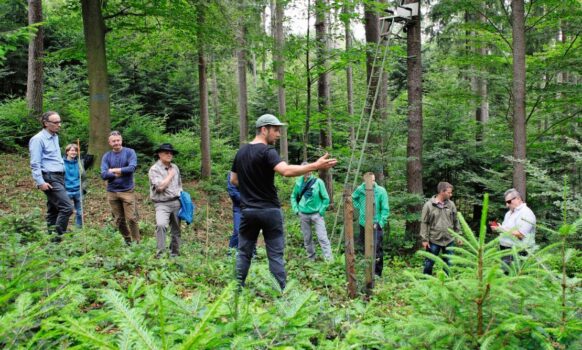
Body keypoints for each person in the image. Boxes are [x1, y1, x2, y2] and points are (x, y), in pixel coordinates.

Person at [230, 113, 337, 290]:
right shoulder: (267, 151)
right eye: (275, 130)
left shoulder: (240, 152)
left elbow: (234, 180)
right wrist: (315, 166)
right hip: (270, 211)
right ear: (264, 130)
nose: (279, 134)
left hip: (248, 211)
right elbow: (285, 171)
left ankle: (236, 290)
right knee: (275, 254)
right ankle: (280, 292)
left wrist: (250, 185)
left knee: (243, 253)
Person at [29, 111, 74, 239]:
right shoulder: (37, 140)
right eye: (55, 122)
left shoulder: (55, 136)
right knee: (67, 208)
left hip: (59, 177)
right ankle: (57, 239)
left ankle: (51, 243)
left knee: (53, 210)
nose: (59, 125)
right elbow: (35, 163)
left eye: (59, 122)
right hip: (49, 177)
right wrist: (40, 182)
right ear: (46, 123)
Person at [101, 131, 141, 244]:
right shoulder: (107, 156)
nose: (116, 143)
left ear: (121, 140)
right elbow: (103, 174)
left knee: (132, 218)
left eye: (118, 140)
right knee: (118, 220)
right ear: (109, 142)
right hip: (112, 192)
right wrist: (121, 172)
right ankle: (127, 239)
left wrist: (112, 170)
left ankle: (136, 242)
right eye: (113, 141)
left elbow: (131, 168)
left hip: (127, 190)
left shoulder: (129, 152)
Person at [291, 164, 333, 261]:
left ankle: (329, 260)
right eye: (305, 170)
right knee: (307, 238)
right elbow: (293, 196)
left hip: (316, 215)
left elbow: (326, 198)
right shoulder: (298, 183)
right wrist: (296, 210)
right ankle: (311, 258)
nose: (308, 172)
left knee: (322, 237)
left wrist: (321, 211)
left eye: (310, 170)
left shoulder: (318, 182)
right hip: (303, 214)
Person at [351, 172, 390, 276]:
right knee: (365, 248)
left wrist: (380, 223)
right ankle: (368, 271)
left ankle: (377, 273)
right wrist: (360, 207)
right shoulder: (360, 189)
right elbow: (352, 198)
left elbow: (385, 209)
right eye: (369, 181)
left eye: (373, 180)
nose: (371, 183)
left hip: (375, 223)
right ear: (364, 181)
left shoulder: (381, 191)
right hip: (363, 223)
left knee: (376, 249)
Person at [148, 143, 183, 257]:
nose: (169, 154)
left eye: (171, 152)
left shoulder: (175, 167)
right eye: (166, 152)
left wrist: (182, 198)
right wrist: (170, 175)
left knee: (176, 230)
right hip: (161, 203)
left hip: (176, 202)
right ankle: (160, 255)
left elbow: (179, 184)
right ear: (159, 154)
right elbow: (159, 188)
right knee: (161, 225)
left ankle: (175, 254)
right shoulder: (154, 169)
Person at [420, 182, 460, 275]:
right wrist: (424, 239)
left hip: (449, 239)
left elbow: (456, 220)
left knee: (448, 263)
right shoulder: (429, 205)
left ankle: (446, 282)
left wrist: (458, 235)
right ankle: (426, 281)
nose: (451, 194)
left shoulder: (451, 204)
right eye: (449, 193)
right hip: (434, 240)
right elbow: (424, 223)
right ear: (442, 192)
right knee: (429, 263)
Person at [492, 188, 536, 269]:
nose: (507, 205)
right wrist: (498, 228)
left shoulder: (526, 213)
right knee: (505, 276)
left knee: (515, 277)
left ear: (518, 199)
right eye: (506, 202)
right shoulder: (508, 213)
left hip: (518, 252)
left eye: (509, 202)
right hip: (505, 250)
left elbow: (521, 234)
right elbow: (508, 230)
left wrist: (501, 229)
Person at [64, 143, 86, 228]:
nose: (74, 152)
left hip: (78, 190)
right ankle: (63, 229)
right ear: (67, 152)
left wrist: (83, 188)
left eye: (76, 151)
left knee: (80, 212)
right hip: (66, 190)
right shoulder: (61, 163)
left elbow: (84, 177)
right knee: (66, 211)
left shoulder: (79, 163)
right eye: (72, 150)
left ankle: (79, 230)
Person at [227, 171, 241, 251]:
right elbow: (233, 192)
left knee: (251, 232)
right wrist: (248, 199)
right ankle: (231, 254)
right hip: (239, 208)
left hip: (252, 207)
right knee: (238, 231)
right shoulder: (232, 174)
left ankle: (253, 254)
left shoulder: (252, 171)